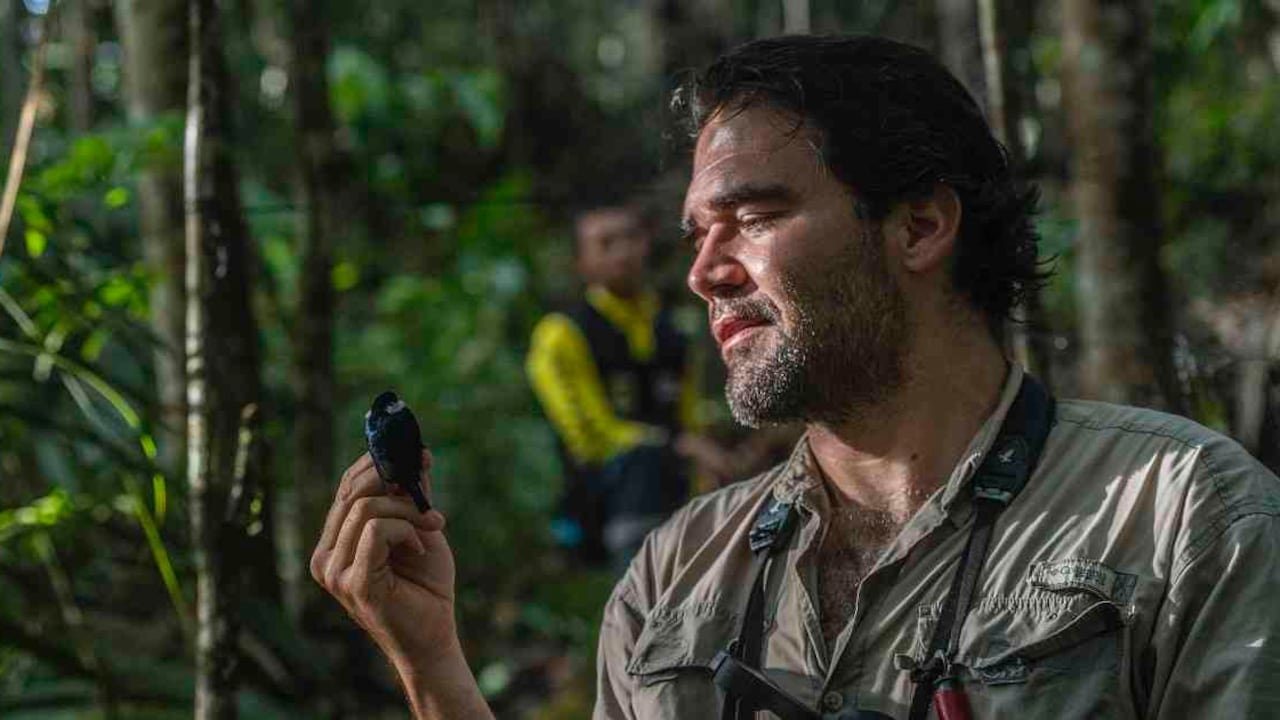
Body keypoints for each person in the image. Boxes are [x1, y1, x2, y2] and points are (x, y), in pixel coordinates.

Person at [309, 35, 1280, 719]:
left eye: (753, 217)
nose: (702, 270)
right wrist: (431, 664)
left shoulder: (1181, 516)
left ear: (917, 226)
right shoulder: (670, 578)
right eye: (697, 233)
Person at [525, 204, 736, 571]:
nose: (622, 252)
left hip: (678, 488)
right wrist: (678, 447)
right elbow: (591, 437)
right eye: (606, 243)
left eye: (631, 238)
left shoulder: (674, 330)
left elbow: (688, 419)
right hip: (606, 501)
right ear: (581, 261)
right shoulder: (562, 334)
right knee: (643, 469)